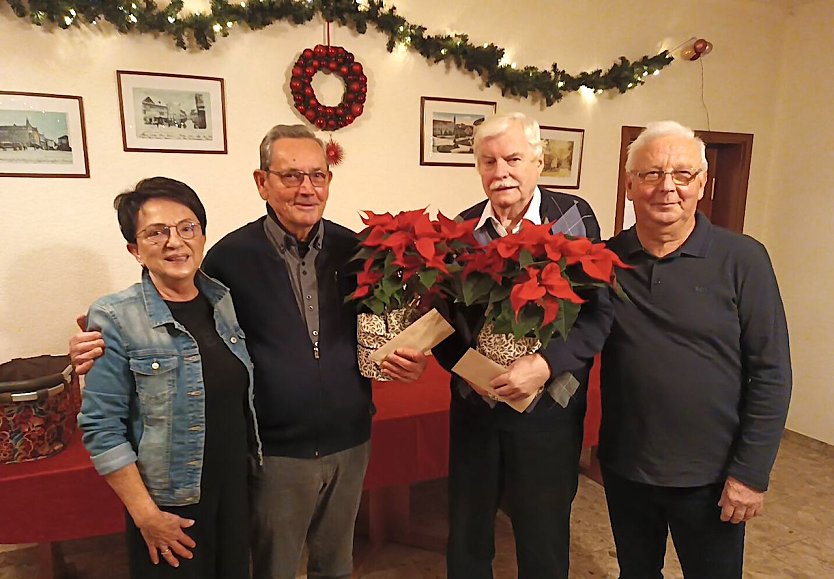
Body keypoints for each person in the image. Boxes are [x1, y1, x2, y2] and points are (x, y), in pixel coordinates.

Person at [71, 125, 426, 579]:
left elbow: (380, 333)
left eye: (317, 176)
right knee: (272, 567)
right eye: (290, 176)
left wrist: (405, 359)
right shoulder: (226, 261)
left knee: (335, 565)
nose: (306, 188)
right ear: (262, 182)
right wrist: (90, 345)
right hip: (274, 452)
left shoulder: (357, 251)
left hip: (350, 439)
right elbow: (153, 321)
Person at [599, 120, 792, 578]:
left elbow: (771, 372)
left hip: (713, 477)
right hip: (627, 467)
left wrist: (750, 474)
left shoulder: (743, 258)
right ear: (629, 186)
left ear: (701, 185)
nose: (667, 188)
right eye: (651, 175)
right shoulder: (605, 260)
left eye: (682, 175)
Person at [432, 112, 613, 579]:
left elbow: (597, 314)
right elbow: (446, 322)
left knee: (543, 533)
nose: (501, 172)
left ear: (538, 161)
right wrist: (474, 376)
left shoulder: (575, 219)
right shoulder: (461, 230)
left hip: (549, 412)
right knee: (468, 533)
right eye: (489, 161)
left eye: (513, 158)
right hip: (477, 408)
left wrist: (546, 366)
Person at [77, 177, 261, 579]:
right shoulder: (114, 316)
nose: (175, 241)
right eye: (156, 232)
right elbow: (101, 427)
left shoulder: (223, 301)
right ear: (135, 250)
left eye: (187, 227)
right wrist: (147, 517)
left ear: (202, 235)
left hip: (234, 491)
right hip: (170, 503)